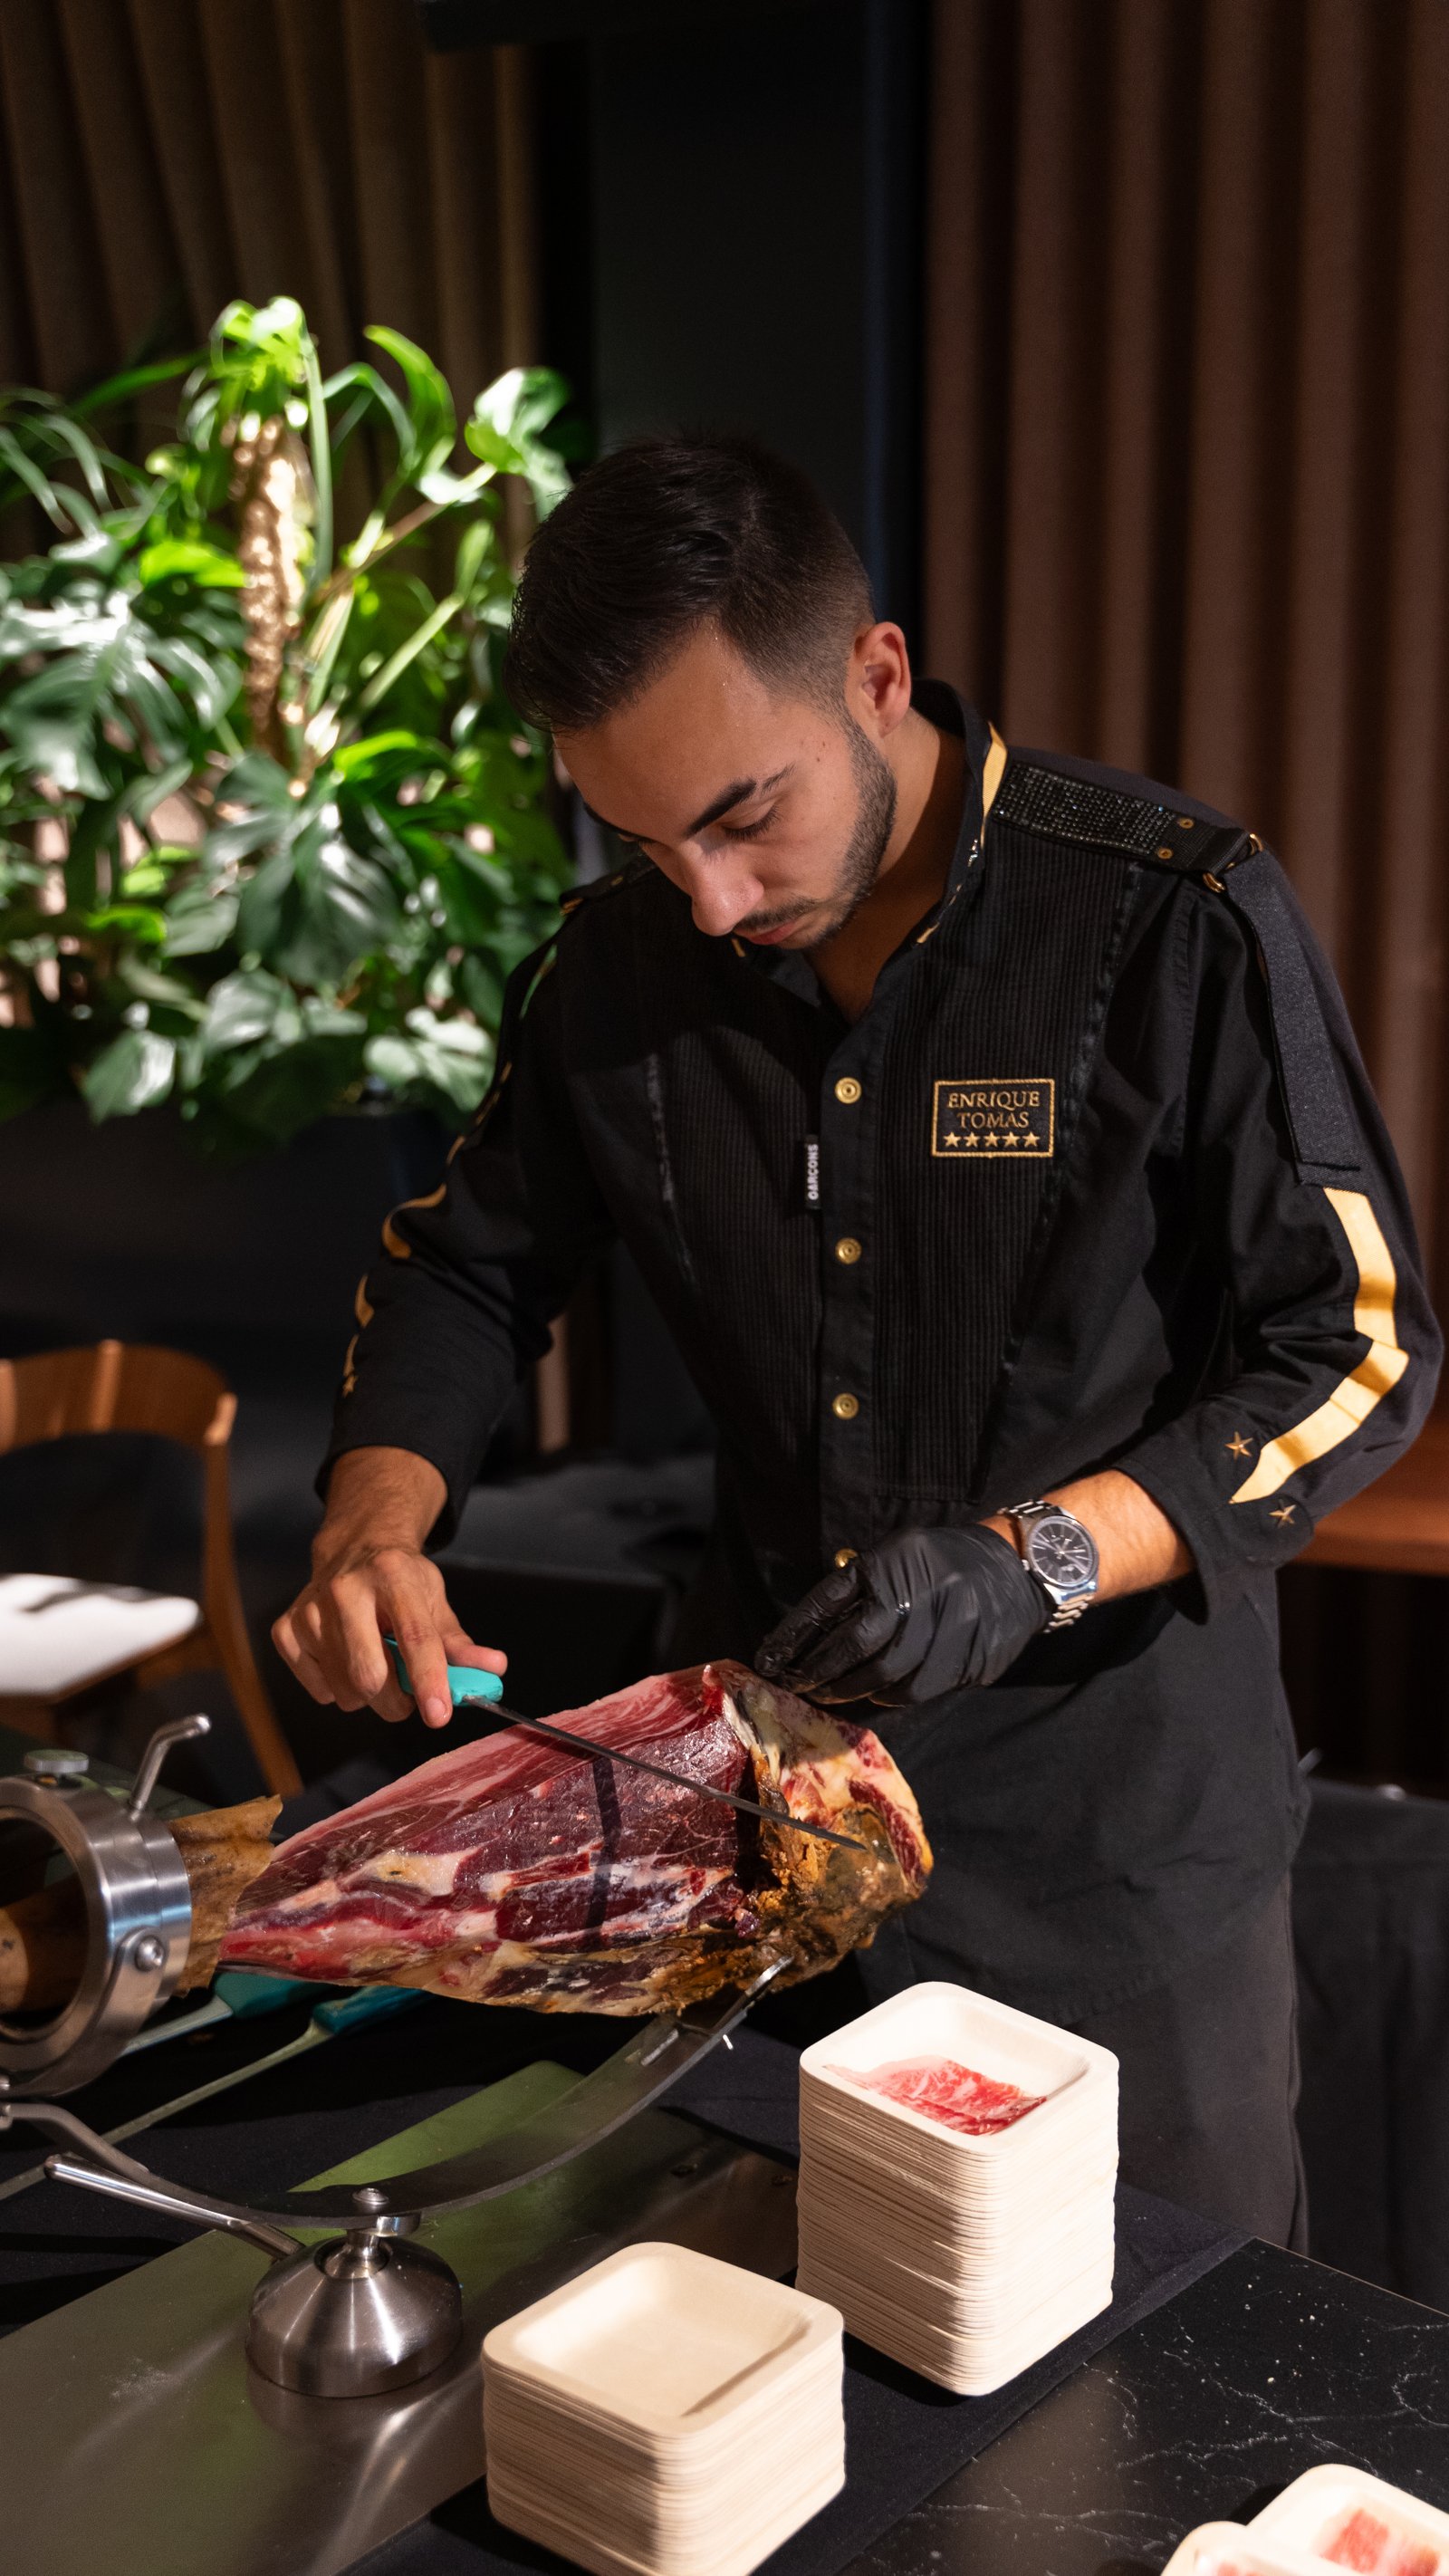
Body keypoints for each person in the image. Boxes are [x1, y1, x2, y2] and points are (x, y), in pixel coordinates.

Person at [274, 434, 1441, 2247]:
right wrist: (373, 1529)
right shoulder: (616, 970)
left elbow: (1357, 1350)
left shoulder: (1168, 918)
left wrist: (1033, 1558)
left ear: (876, 675)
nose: (709, 900)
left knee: (1141, 2359)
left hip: (1110, 1855)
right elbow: (465, 1271)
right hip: (754, 1830)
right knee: (760, 2331)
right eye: (645, 840)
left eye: (744, 814)